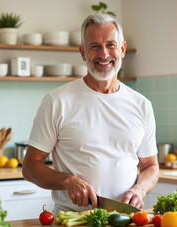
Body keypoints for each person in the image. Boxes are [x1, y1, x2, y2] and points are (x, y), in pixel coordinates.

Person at [22, 14, 159, 215]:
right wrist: (66, 181)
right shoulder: (57, 101)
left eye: (111, 45)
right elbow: (30, 167)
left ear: (122, 49)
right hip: (73, 221)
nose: (104, 54)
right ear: (83, 53)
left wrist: (140, 188)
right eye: (95, 46)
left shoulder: (141, 105)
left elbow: (151, 166)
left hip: (126, 220)